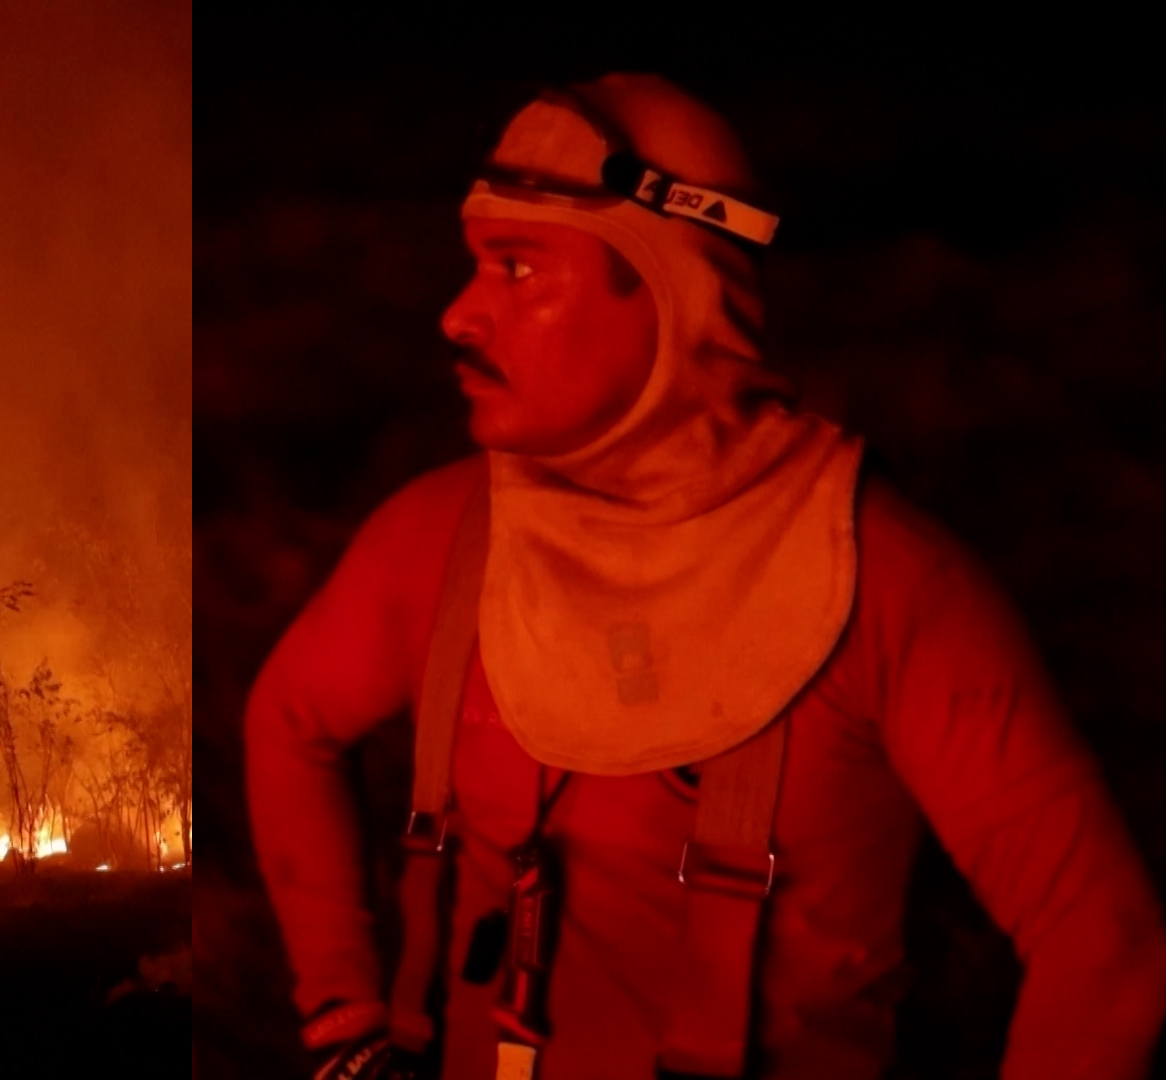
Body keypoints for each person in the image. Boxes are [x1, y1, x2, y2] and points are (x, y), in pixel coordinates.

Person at [244, 73, 1166, 1080]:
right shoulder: (440, 542)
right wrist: (344, 1017)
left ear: (672, 289)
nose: (457, 315)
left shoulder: (883, 586)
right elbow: (288, 720)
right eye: (477, 265)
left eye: (516, 270)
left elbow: (1103, 947)